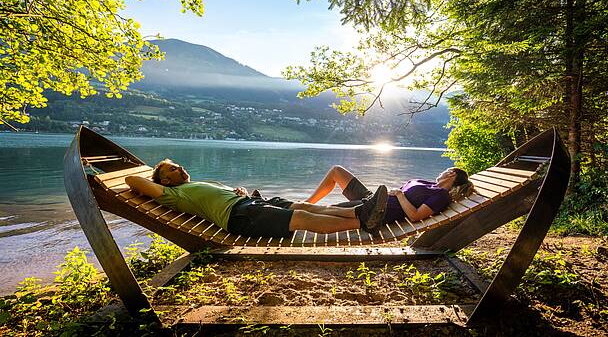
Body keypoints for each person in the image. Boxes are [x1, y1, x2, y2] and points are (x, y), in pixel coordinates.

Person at [125, 159, 389, 239]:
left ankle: (361, 214)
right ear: (165, 181)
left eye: (178, 164)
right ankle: (362, 223)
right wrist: (157, 177)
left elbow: (220, 194)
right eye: (172, 169)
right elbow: (132, 181)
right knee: (304, 218)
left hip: (248, 203)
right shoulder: (172, 193)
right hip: (240, 217)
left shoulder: (193, 184)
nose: (179, 167)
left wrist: (237, 190)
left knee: (306, 206)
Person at [304, 165, 474, 223]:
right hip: (374, 198)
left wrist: (400, 195)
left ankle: (295, 211)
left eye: (446, 170)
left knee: (328, 210)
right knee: (337, 171)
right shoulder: (428, 184)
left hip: (379, 210)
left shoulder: (441, 195)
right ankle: (307, 202)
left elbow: (415, 216)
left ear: (451, 174)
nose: (442, 172)